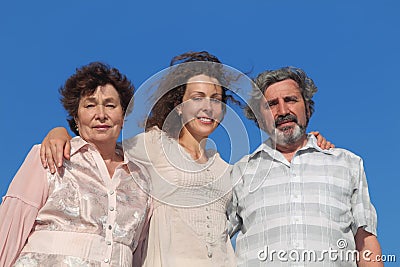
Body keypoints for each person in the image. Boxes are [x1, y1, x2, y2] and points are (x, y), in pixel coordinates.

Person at [38, 52, 333, 266]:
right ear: (178, 106)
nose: (207, 107)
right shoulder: (150, 146)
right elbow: (101, 139)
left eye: (215, 99)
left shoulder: (228, 169)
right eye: (197, 97)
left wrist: (312, 143)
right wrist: (59, 132)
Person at [0, 62, 151, 266]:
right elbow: (11, 227)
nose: (101, 114)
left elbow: (140, 255)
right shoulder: (49, 155)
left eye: (110, 105)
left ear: (123, 117)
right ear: (76, 119)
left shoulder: (142, 179)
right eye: (90, 105)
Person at [228, 66, 382, 266]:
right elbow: (212, 239)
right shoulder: (240, 172)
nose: (283, 111)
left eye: (291, 100)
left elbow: (365, 239)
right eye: (271, 105)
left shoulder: (347, 163)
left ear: (307, 108)